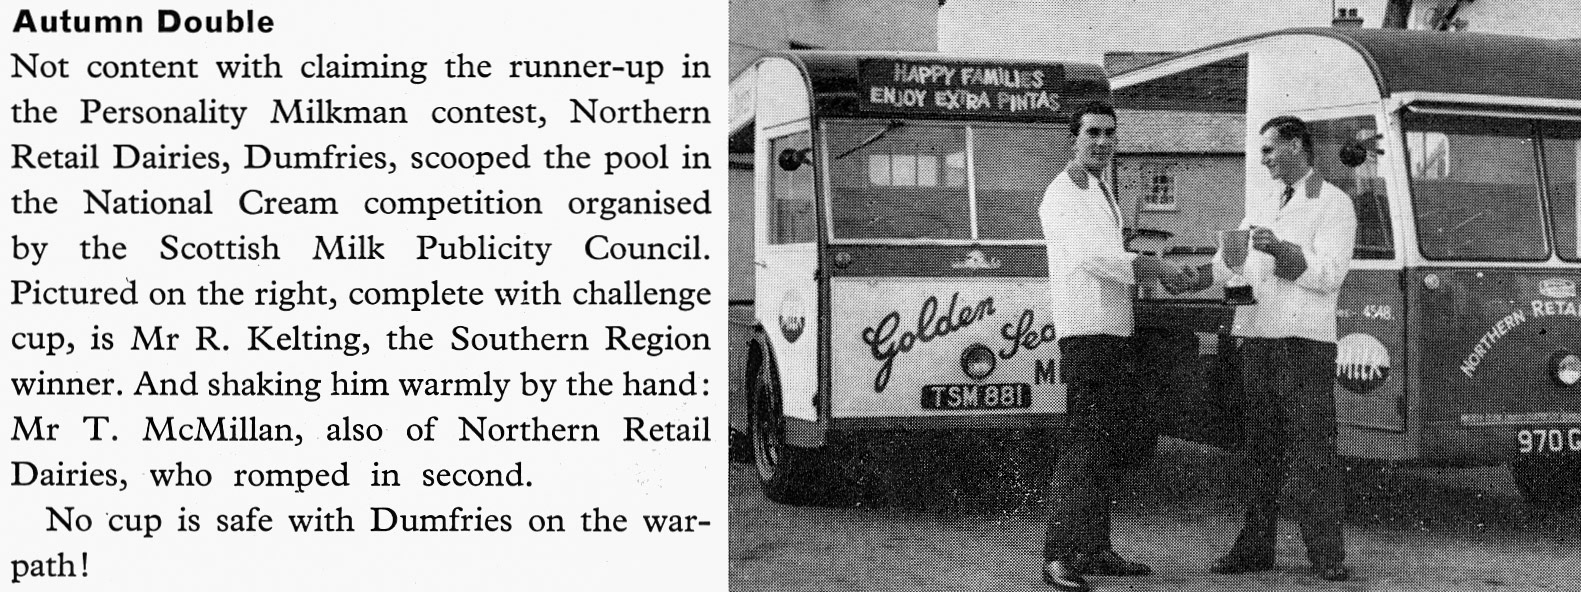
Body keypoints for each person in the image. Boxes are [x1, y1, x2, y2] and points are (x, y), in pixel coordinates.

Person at [1188, 115, 1358, 582]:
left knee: (1312, 449)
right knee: (1257, 450)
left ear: (1297, 148)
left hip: (1304, 344)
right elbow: (1229, 262)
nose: (1262, 159)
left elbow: (1329, 275)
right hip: (1258, 341)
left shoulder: (1335, 204)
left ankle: (1327, 555)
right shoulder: (1262, 202)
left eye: (1269, 149)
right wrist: (1197, 277)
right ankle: (1254, 549)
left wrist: (1281, 249)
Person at [1037, 101, 1190, 592]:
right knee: (1083, 447)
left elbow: (1112, 257)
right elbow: (1098, 258)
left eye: (1109, 134)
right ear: (1072, 139)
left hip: (1113, 333)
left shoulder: (1100, 190)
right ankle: (1057, 557)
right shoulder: (1061, 194)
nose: (1102, 142)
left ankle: (1095, 550)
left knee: (1105, 446)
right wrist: (1158, 268)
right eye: (1092, 134)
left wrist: (1159, 271)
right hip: (1085, 336)